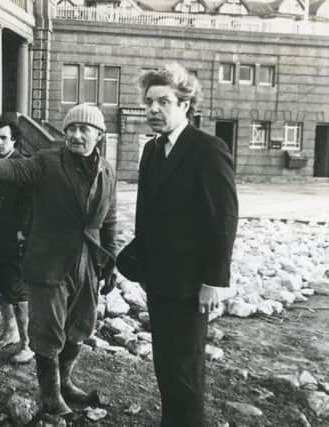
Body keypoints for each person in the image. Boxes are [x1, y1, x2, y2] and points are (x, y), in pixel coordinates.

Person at [0, 104, 118, 417]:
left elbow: (110, 218)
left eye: (84, 129)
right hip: (50, 257)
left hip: (88, 259)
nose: (75, 135)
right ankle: (50, 394)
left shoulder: (107, 169)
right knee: (48, 329)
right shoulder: (47, 162)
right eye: (70, 129)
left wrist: (110, 259)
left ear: (99, 135)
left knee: (80, 325)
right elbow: (12, 170)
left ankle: (65, 382)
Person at [135, 63, 238, 427]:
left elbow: (223, 219)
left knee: (185, 367)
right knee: (165, 362)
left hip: (192, 283)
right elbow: (145, 214)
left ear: (185, 104)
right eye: (149, 102)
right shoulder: (151, 150)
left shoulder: (209, 150)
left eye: (163, 101)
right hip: (159, 278)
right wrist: (141, 265)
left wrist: (214, 280)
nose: (152, 110)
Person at [0, 120, 33, 364]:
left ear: (14, 140)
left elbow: (31, 202)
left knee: (18, 289)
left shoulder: (23, 165)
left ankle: (27, 344)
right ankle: (9, 332)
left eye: (3, 138)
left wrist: (23, 231)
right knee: (0, 283)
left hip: (15, 237)